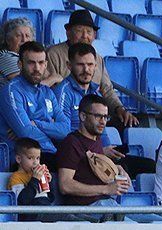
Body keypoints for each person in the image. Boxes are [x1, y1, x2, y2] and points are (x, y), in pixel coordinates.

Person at [54, 43, 155, 178]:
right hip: (77, 156)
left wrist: (108, 149)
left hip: (97, 154)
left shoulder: (96, 93)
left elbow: (102, 129)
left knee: (150, 166)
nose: (86, 69)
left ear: (96, 66)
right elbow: (64, 134)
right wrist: (99, 150)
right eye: (80, 65)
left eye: (90, 65)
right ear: (69, 66)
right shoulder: (63, 91)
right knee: (119, 173)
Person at [57, 95, 162, 223]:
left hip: (108, 205)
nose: (103, 122)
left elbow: (94, 168)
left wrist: (117, 168)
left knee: (159, 222)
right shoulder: (72, 143)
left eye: (106, 117)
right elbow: (65, 185)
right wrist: (106, 189)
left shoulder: (97, 140)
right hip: (88, 209)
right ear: (83, 116)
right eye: (98, 116)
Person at [44, 10, 139, 128]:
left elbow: (107, 90)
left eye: (89, 32)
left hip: (95, 113)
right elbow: (48, 90)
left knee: (128, 122)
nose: (85, 36)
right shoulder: (53, 54)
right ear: (68, 33)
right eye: (79, 31)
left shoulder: (97, 58)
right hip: (68, 114)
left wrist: (120, 109)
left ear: (94, 35)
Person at [0, 42, 70, 171]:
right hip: (22, 161)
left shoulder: (48, 92)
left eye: (41, 63)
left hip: (48, 155)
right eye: (31, 63)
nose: (37, 68)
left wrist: (37, 124)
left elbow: (65, 129)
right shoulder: (11, 91)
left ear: (46, 65)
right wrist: (51, 134)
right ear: (20, 64)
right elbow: (26, 132)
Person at [0, 18, 35, 85]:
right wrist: (52, 79)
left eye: (27, 36)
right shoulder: (5, 57)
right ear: (8, 40)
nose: (24, 40)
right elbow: (24, 85)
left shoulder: (34, 57)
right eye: (18, 36)